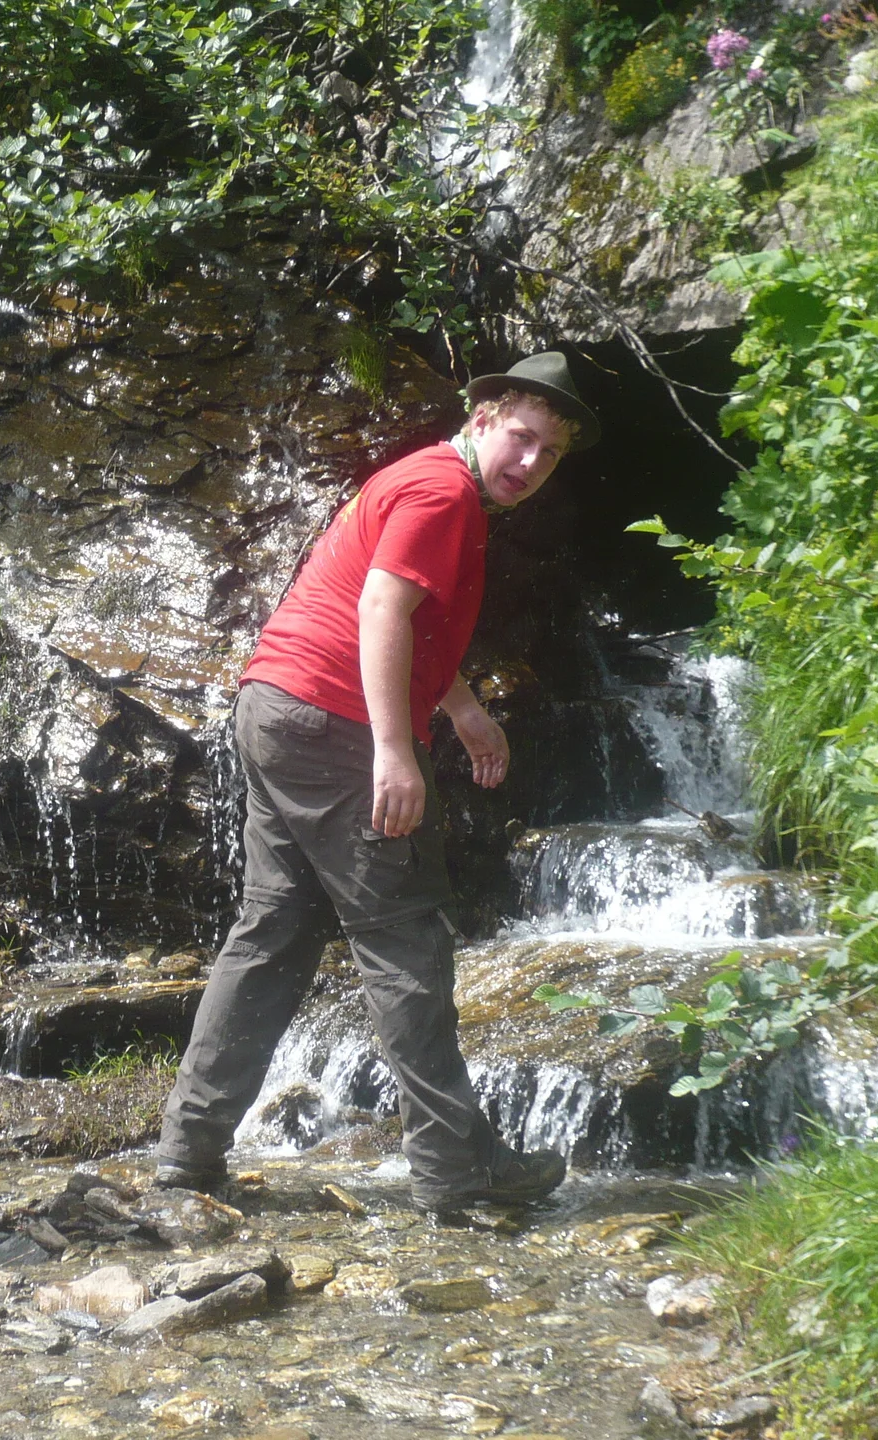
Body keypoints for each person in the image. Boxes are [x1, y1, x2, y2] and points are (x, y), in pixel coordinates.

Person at [153, 352, 601, 1213]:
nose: (530, 464)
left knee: (271, 935)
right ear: (482, 421)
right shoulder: (442, 495)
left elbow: (404, 612)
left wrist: (462, 708)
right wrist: (394, 750)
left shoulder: (424, 480)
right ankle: (456, 1172)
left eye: (549, 454)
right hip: (331, 721)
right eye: (521, 437)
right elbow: (381, 612)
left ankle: (188, 1151)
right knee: (405, 940)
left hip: (273, 706)